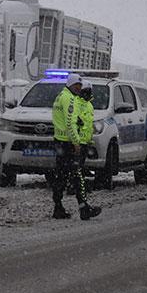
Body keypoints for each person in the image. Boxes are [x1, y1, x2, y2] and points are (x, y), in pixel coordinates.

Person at [51, 73, 102, 220]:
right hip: (68, 143)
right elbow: (70, 123)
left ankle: (58, 207)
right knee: (77, 175)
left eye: (81, 87)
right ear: (71, 85)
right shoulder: (69, 99)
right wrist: (76, 142)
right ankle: (83, 207)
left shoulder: (61, 96)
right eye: (77, 86)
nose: (79, 89)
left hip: (60, 141)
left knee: (61, 175)